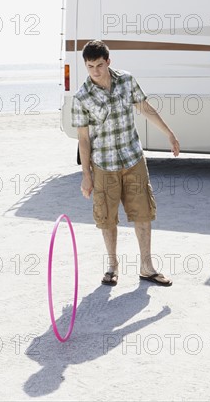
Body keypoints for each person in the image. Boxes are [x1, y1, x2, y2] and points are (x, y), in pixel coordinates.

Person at [71, 40, 180, 287]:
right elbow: (83, 139)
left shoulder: (127, 81)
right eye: (90, 66)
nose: (95, 71)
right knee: (107, 218)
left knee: (143, 212)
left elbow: (146, 108)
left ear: (108, 62)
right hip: (104, 165)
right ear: (85, 65)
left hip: (133, 158)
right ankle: (112, 266)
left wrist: (169, 133)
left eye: (99, 65)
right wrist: (86, 175)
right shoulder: (81, 97)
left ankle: (147, 267)